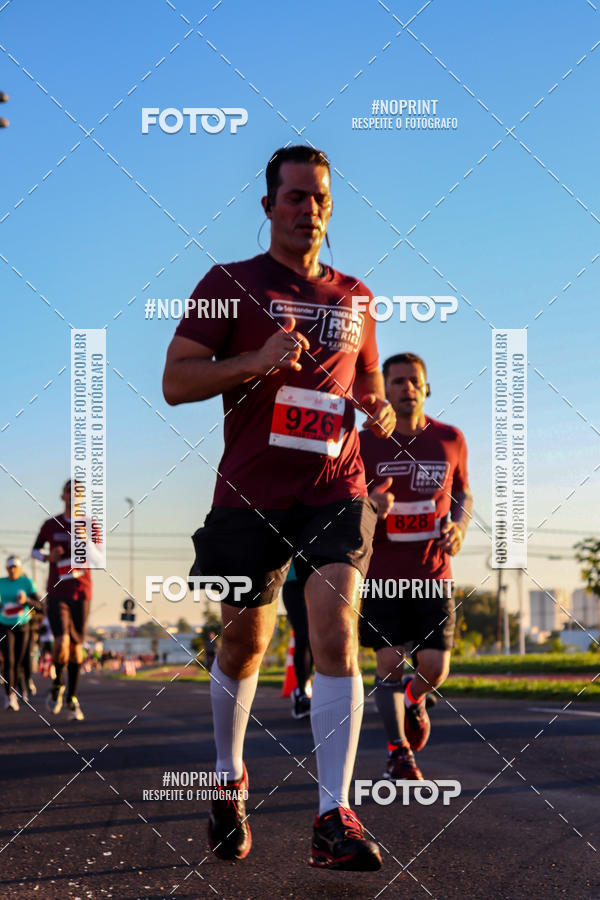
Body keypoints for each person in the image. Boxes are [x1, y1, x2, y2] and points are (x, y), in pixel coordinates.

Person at [163, 145, 395, 871]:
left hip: (336, 487)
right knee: (245, 645)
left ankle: (334, 816)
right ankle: (228, 780)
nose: (309, 210)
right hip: (249, 492)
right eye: (295, 197)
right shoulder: (227, 283)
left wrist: (378, 405)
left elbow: (363, 387)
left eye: (320, 198)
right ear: (267, 207)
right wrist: (253, 361)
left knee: (335, 629)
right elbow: (175, 380)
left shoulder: (357, 296)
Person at [359, 353, 472, 780]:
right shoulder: (364, 442)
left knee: (435, 667)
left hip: (433, 572)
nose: (407, 388)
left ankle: (416, 695)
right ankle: (398, 753)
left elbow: (463, 493)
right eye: (398, 381)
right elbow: (339, 501)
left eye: (414, 381)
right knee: (388, 660)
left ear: (426, 389)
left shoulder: (450, 438)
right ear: (384, 391)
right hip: (381, 573)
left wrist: (459, 528)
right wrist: (370, 505)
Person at [32, 479, 99, 721]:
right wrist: (49, 556)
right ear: (63, 496)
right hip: (58, 591)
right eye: (70, 491)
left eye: (79, 492)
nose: (74, 495)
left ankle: (72, 697)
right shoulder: (51, 525)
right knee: (61, 642)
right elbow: (34, 550)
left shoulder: (91, 525)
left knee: (76, 649)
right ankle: (58, 684)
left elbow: (99, 558)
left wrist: (85, 541)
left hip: (81, 593)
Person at [0, 556, 43, 710]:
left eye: (14, 567)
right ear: (6, 568)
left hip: (23, 627)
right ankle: (9, 697)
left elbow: (40, 606)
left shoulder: (27, 583)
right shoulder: (1, 583)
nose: (12, 570)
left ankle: (22, 687)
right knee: (9, 661)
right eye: (9, 567)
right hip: (5, 625)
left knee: (21, 662)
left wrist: (26, 601)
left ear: (19, 568)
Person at [282, 559, 313, 719]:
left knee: (317, 639)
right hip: (294, 582)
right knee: (304, 635)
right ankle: (302, 692)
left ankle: (307, 687)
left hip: (322, 579)